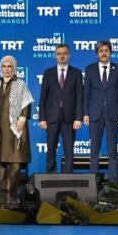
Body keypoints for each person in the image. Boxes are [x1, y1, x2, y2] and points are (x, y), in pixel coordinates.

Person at [0, 56, 33, 206]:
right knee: (2, 160)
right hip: (1, 128)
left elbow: (26, 102)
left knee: (15, 160)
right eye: (4, 66)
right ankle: (2, 192)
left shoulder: (20, 84)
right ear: (0, 68)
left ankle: (11, 192)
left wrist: (23, 118)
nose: (7, 69)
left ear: (14, 68)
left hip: (15, 128)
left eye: (9, 66)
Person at [83, 40, 118, 183]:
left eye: (106, 50)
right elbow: (86, 92)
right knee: (94, 150)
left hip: (113, 113)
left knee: (112, 150)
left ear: (111, 52)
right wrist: (85, 113)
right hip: (95, 113)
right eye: (101, 51)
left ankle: (113, 179)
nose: (104, 53)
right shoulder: (90, 69)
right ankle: (93, 179)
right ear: (97, 53)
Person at [38, 43, 83, 173]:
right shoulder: (48, 73)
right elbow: (43, 97)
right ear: (55, 56)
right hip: (51, 117)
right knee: (51, 148)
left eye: (64, 53)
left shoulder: (76, 73)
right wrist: (42, 118)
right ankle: (50, 175)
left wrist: (78, 118)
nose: (62, 56)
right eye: (59, 54)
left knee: (69, 149)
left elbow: (80, 97)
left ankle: (68, 176)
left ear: (69, 55)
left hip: (70, 117)